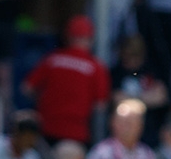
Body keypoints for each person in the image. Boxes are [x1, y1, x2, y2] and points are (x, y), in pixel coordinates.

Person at [22, 15, 111, 146]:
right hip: (76, 133)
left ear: (68, 37)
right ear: (90, 39)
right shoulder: (96, 67)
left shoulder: (52, 59)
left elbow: (26, 88)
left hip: (46, 129)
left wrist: (42, 100)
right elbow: (100, 105)